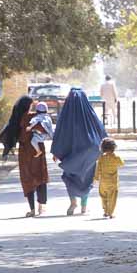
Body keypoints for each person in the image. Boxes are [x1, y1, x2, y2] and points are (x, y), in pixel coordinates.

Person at [51, 87, 107, 216]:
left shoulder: (65, 116)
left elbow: (59, 133)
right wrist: (105, 150)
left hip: (70, 153)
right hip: (90, 152)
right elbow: (101, 131)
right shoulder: (89, 114)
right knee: (86, 178)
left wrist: (55, 152)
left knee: (70, 176)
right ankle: (83, 206)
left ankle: (73, 202)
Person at [0, 95, 49, 217]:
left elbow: (8, 134)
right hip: (37, 151)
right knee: (40, 177)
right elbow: (44, 129)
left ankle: (32, 209)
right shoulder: (35, 117)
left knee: (28, 179)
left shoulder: (16, 119)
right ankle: (41, 207)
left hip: (24, 151)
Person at [94, 138, 124, 219]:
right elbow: (122, 163)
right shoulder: (115, 157)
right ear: (114, 147)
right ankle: (110, 213)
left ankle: (105, 211)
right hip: (113, 182)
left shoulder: (101, 158)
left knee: (103, 196)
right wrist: (115, 156)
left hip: (103, 182)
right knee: (112, 197)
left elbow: (98, 168)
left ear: (102, 148)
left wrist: (96, 178)